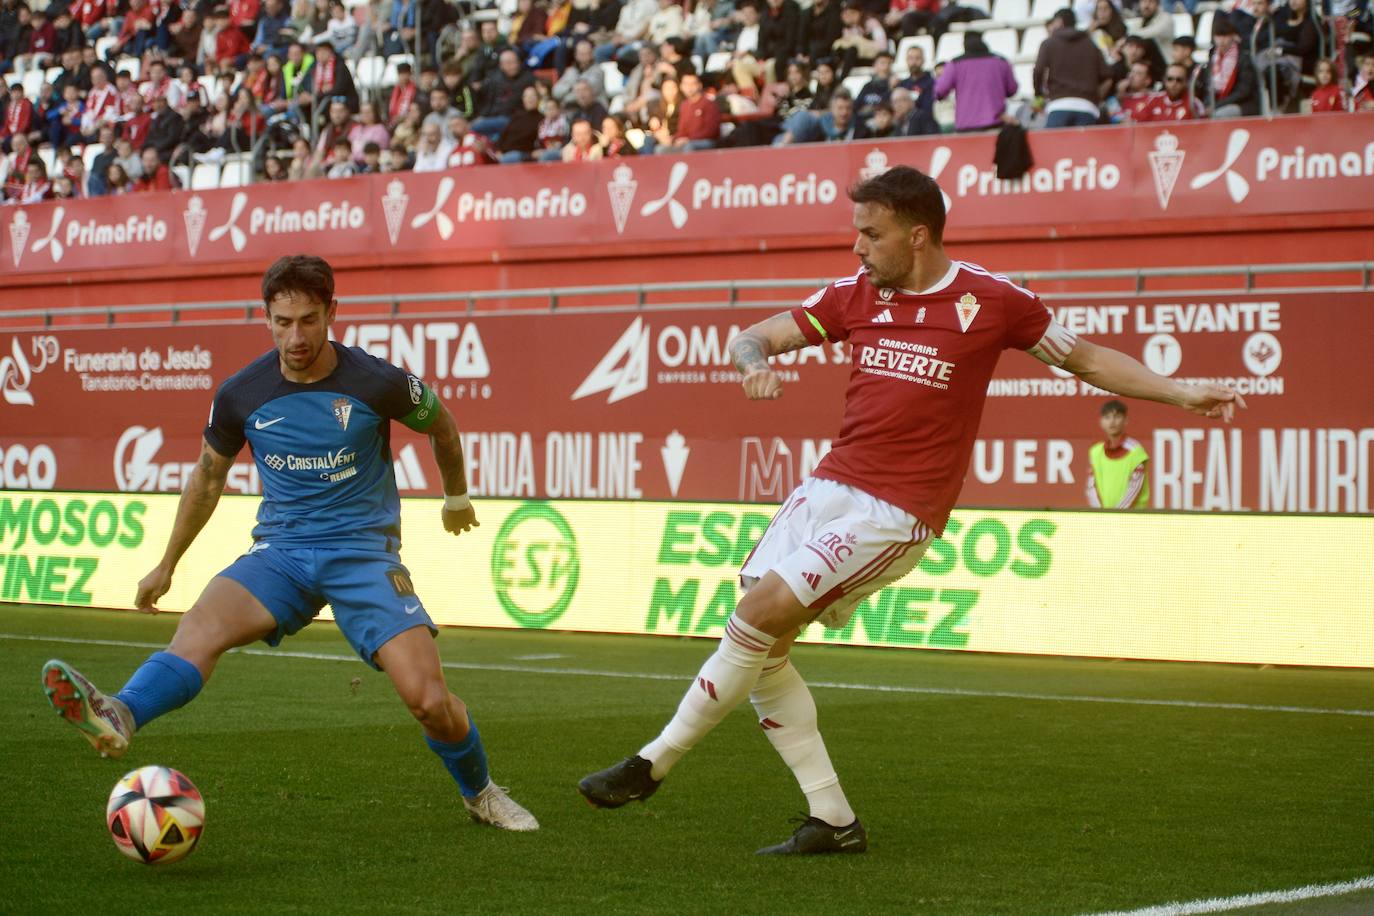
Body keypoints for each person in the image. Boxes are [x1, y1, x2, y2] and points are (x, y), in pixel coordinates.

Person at [577, 165, 1245, 854]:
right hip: (828, 487)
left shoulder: (994, 301)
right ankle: (833, 822)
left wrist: (1181, 392)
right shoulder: (855, 295)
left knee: (755, 619)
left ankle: (653, 763)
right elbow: (755, 335)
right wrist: (751, 364)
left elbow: (1087, 359)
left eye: (872, 234)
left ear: (916, 235)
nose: (858, 249)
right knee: (763, 649)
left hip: (896, 510)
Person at [41, 255, 539, 834]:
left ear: (332, 312)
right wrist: (166, 563)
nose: (295, 337)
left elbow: (443, 426)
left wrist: (456, 497)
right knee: (200, 628)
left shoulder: (376, 380)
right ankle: (121, 712)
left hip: (363, 554)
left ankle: (479, 792)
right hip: (280, 551)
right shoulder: (241, 394)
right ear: (267, 317)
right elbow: (206, 478)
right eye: (282, 322)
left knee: (428, 699)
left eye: (307, 320)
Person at [1033, 7, 1112, 127]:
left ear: (1059, 21)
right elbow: (1108, 76)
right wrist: (1096, 96)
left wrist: (1038, 95)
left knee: (1055, 146)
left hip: (1058, 106)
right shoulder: (1090, 44)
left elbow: (1038, 71)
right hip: (1087, 107)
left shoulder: (1049, 43)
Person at [934, 31, 1018, 131]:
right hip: (995, 125)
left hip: (966, 126)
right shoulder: (1001, 61)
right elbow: (1012, 90)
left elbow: (939, 91)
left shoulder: (955, 64)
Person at [1086, 400, 1149, 508]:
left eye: (1117, 417)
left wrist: (1117, 515)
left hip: (1132, 519)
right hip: (1103, 519)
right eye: (1107, 417)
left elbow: (1135, 487)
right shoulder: (1095, 452)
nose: (1112, 422)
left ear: (1126, 420)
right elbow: (1091, 486)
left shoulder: (1136, 451)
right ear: (1101, 422)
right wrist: (1100, 514)